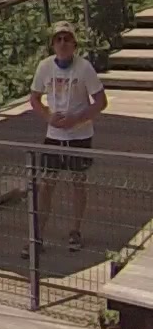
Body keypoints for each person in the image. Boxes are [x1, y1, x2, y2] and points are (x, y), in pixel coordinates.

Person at [30, 22, 107, 252]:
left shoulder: (84, 68)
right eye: (58, 39)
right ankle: (38, 235)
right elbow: (34, 98)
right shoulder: (45, 67)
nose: (62, 43)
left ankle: (75, 230)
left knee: (77, 183)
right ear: (53, 44)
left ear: (74, 43)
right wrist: (47, 116)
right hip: (54, 134)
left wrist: (78, 118)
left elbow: (101, 101)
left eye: (66, 39)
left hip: (79, 134)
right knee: (46, 184)